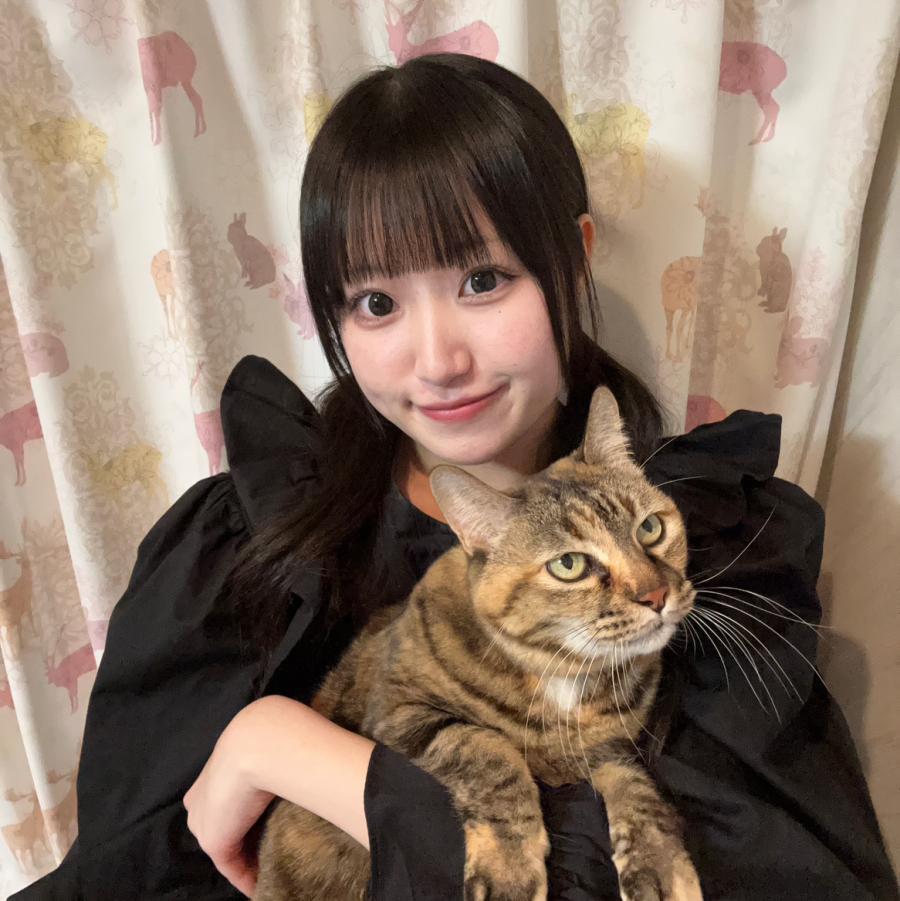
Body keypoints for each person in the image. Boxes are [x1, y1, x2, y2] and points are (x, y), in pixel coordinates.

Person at [13, 53, 897, 901]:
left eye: (482, 279)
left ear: (573, 260)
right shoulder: (241, 538)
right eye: (377, 303)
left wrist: (291, 751)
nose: (438, 360)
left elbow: (757, 870)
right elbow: (139, 867)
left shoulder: (707, 532)